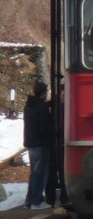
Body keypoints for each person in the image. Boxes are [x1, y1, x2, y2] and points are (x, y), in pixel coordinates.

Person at [23, 81, 53, 210]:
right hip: (41, 143)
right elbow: (44, 126)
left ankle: (29, 201)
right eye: (46, 92)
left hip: (31, 143)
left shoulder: (30, 105)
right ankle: (37, 201)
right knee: (40, 174)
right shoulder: (42, 107)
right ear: (43, 93)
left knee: (34, 173)